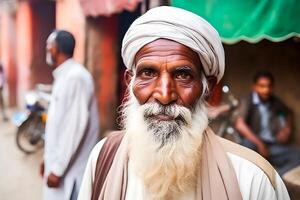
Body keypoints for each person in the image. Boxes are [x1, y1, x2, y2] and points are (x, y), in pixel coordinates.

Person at [78, 6, 289, 200]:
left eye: (182, 75)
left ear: (208, 88)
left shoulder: (252, 179)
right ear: (129, 82)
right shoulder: (103, 159)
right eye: (148, 73)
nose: (164, 95)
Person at [42, 30, 99, 200]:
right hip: (59, 163)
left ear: (57, 49)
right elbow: (57, 125)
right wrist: (47, 158)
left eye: (49, 46)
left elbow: (74, 127)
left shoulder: (76, 77)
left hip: (72, 171)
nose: (47, 50)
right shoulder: (64, 75)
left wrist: (57, 169)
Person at [235, 71, 300, 175]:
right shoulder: (248, 99)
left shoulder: (275, 101)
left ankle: (275, 179)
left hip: (271, 146)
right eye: (261, 86)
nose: (266, 90)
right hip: (254, 144)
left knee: (297, 156)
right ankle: (249, 178)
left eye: (269, 86)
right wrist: (259, 144)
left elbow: (289, 113)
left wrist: (287, 129)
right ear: (254, 87)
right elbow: (240, 125)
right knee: (246, 145)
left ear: (272, 87)